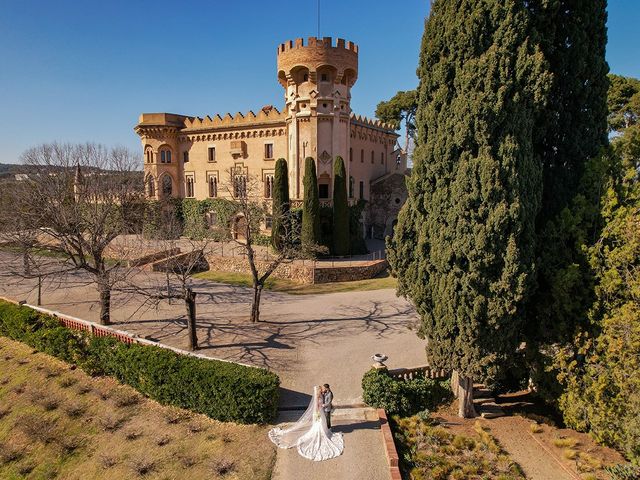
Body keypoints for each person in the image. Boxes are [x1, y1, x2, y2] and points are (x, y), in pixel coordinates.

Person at [268, 386, 344, 461]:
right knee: (320, 423)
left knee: (323, 423)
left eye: (322, 389)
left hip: (321, 411)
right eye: (320, 389)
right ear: (318, 391)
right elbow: (317, 407)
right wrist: (318, 413)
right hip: (318, 412)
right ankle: (320, 432)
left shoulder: (321, 395)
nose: (322, 390)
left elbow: (325, 400)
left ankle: (324, 431)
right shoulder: (317, 398)